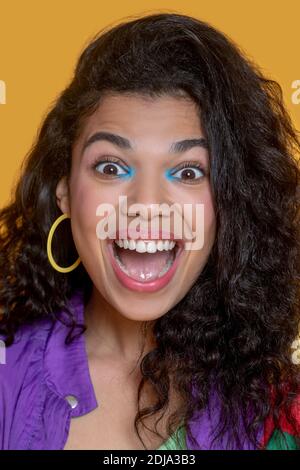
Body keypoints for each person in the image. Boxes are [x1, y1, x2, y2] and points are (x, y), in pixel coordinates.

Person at [0, 12, 299, 450]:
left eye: (189, 172)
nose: (146, 205)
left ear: (229, 203)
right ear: (64, 189)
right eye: (111, 166)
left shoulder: (278, 405)